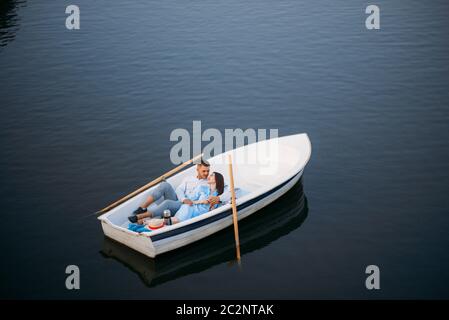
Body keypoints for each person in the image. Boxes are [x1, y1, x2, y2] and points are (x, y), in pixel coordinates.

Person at [128, 159, 229, 224]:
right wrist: (183, 199)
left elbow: (225, 189)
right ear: (197, 169)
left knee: (168, 203)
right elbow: (179, 190)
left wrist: (219, 199)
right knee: (165, 185)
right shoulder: (188, 178)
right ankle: (143, 207)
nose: (207, 173)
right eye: (204, 171)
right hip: (181, 201)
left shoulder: (210, 182)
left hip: (188, 206)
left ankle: (145, 217)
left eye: (208, 171)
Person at [148, 172, 224, 227]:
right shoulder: (202, 188)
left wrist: (212, 206)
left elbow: (212, 208)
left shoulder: (217, 196)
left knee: (175, 217)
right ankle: (153, 222)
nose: (209, 175)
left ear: (216, 180)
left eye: (212, 175)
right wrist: (198, 201)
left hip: (200, 213)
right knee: (180, 213)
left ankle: (152, 222)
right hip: (189, 207)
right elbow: (191, 199)